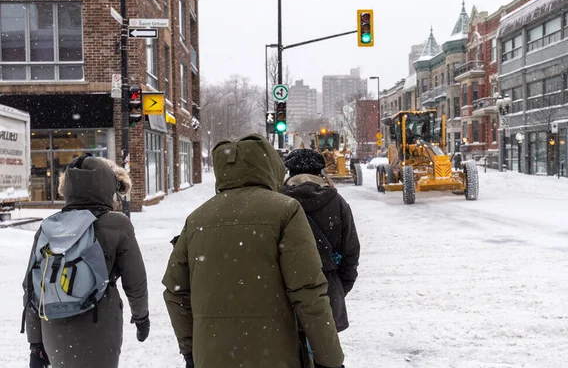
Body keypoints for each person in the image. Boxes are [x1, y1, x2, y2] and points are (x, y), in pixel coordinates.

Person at [163, 134, 344, 368]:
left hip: (212, 357)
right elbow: (307, 291)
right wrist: (329, 360)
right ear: (270, 166)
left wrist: (190, 352)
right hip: (276, 354)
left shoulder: (197, 219)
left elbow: (175, 292)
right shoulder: (285, 211)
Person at [23, 156, 150, 368]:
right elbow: (135, 281)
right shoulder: (116, 224)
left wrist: (35, 344)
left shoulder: (50, 226)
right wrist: (141, 317)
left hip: (52, 326)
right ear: (107, 185)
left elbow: (32, 288)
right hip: (99, 323)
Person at [281, 149, 360, 334]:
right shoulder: (338, 202)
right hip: (328, 291)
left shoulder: (278, 202)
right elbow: (351, 252)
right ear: (320, 172)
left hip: (285, 296)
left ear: (290, 173)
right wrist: (338, 288)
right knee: (327, 356)